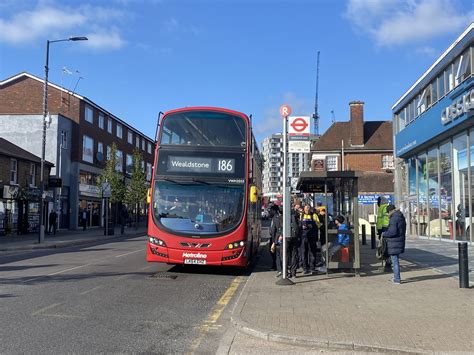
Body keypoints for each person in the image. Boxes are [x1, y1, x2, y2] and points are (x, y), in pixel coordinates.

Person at [382, 204, 406, 284]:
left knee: (395, 261)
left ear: (390, 211)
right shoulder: (400, 216)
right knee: (395, 260)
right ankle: (396, 276)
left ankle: (397, 279)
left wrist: (384, 234)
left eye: (387, 212)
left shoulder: (393, 219)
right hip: (399, 241)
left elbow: (392, 232)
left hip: (394, 242)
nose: (387, 214)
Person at [299, 205, 321, 275]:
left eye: (308, 209)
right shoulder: (301, 215)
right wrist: (301, 226)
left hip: (312, 236)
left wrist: (313, 225)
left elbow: (319, 225)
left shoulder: (314, 215)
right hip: (303, 237)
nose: (307, 210)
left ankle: (312, 268)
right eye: (306, 209)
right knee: (304, 253)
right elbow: (298, 224)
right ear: (303, 209)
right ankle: (305, 268)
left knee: (312, 252)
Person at [376, 196, 391, 272]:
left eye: (378, 201)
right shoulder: (381, 208)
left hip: (385, 230)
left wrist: (382, 230)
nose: (377, 203)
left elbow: (385, 220)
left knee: (385, 248)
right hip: (382, 231)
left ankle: (388, 264)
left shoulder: (385, 208)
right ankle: (386, 263)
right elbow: (380, 221)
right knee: (383, 248)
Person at [269, 203, 282, 271]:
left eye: (271, 210)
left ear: (274, 210)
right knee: (273, 252)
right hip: (275, 238)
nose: (270, 212)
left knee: (275, 253)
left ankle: (277, 267)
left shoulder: (276, 218)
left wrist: (273, 241)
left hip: (275, 238)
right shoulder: (274, 217)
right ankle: (276, 265)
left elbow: (274, 230)